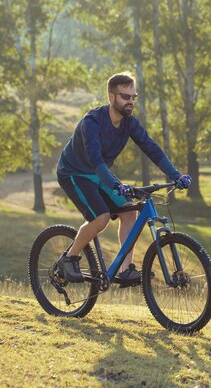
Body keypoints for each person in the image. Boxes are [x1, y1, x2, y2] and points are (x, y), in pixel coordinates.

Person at [55, 71, 191, 286]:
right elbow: (96, 161)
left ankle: (126, 269)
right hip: (74, 172)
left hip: (100, 174)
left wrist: (176, 175)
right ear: (111, 97)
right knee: (101, 218)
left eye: (133, 97)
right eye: (125, 97)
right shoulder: (92, 122)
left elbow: (152, 149)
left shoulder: (130, 123)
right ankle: (69, 258)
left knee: (129, 213)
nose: (131, 102)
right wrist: (117, 185)